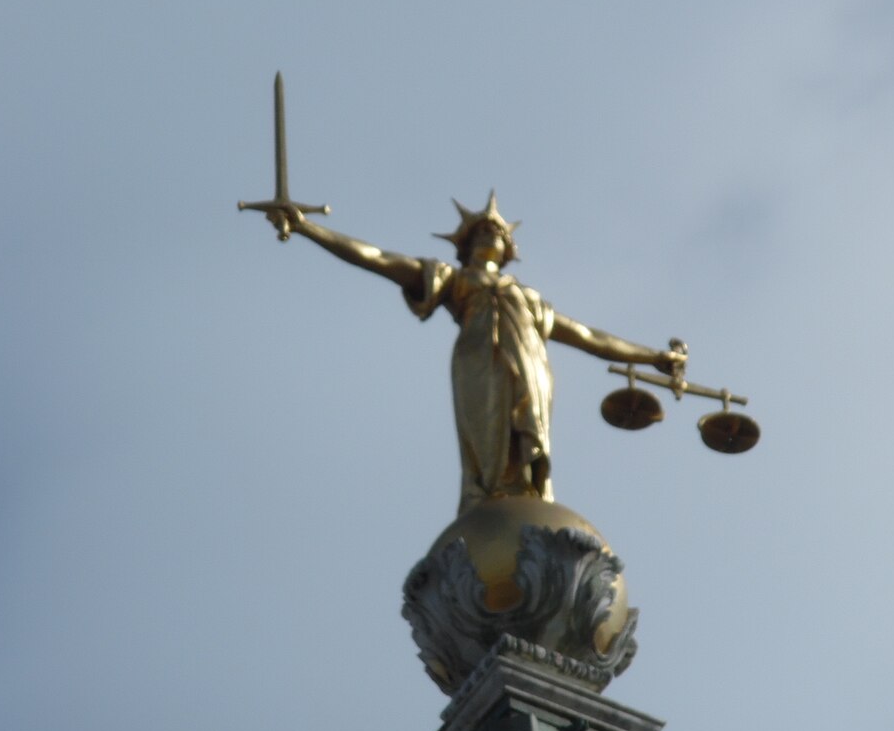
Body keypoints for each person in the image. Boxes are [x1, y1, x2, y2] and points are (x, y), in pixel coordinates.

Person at [266, 193, 684, 514]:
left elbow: (589, 336)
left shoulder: (529, 298)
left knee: (529, 441)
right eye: (483, 231)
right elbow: (377, 258)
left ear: (509, 249)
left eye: (499, 233)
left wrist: (652, 358)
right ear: (464, 246)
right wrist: (307, 229)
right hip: (479, 363)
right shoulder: (453, 279)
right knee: (487, 441)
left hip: (532, 368)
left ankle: (527, 497)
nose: (492, 235)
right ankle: (488, 500)